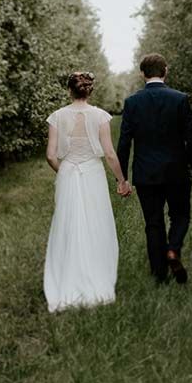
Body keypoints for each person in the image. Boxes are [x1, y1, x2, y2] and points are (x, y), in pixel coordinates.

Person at [44, 71, 129, 313]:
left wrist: (64, 171)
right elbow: (110, 154)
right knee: (95, 223)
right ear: (89, 90)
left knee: (67, 223)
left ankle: (66, 275)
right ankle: (95, 274)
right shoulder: (100, 116)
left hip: (69, 171)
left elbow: (50, 155)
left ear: (69, 90)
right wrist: (121, 180)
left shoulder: (56, 117)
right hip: (92, 172)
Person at [116, 53, 192, 285]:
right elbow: (191, 137)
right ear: (165, 71)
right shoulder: (180, 99)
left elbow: (124, 142)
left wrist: (121, 177)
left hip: (145, 172)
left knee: (153, 222)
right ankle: (173, 249)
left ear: (142, 74)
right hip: (176, 171)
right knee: (180, 215)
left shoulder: (132, 103)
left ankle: (159, 275)